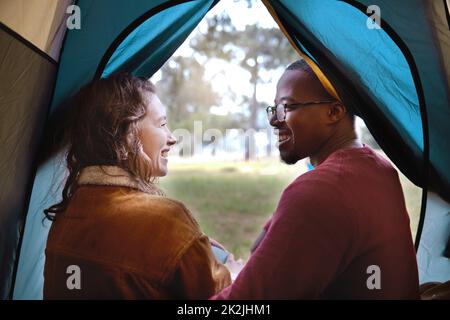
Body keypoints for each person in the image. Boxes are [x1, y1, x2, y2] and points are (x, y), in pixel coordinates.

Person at [212, 59, 419, 299]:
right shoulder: (378, 168)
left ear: (334, 111)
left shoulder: (323, 189)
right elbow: (262, 247)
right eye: (274, 108)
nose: (273, 120)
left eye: (287, 107)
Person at [43, 73, 231, 299]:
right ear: (126, 135)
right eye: (162, 124)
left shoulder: (65, 218)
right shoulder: (168, 221)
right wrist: (235, 274)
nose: (172, 138)